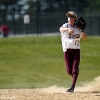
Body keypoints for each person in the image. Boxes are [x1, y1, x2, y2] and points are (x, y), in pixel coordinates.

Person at [59, 11, 87, 92]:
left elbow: (85, 38)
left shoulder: (78, 28)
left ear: (75, 18)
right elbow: (61, 29)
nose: (69, 18)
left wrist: (82, 30)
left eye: (71, 16)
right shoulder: (66, 25)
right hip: (67, 50)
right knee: (69, 71)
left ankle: (72, 87)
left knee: (75, 69)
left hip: (76, 50)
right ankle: (75, 76)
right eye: (69, 16)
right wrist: (68, 29)